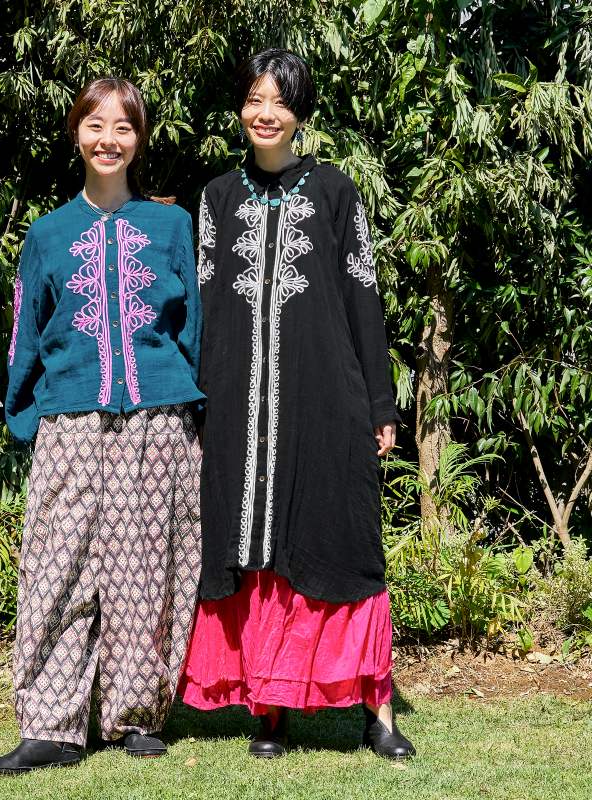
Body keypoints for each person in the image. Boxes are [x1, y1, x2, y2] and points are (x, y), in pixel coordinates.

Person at [178, 49, 416, 760]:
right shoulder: (218, 197)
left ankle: (377, 712)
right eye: (255, 99)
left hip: (324, 399)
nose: (265, 113)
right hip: (237, 405)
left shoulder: (338, 192)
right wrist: (197, 400)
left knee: (338, 538)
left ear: (300, 113)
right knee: (252, 548)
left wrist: (380, 405)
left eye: (280, 101)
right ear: (240, 109)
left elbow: (363, 300)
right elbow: (205, 305)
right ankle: (270, 708)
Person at [0, 77, 204, 776]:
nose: (109, 140)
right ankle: (51, 725)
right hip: (70, 422)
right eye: (95, 125)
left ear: (140, 139)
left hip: (156, 423)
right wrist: (26, 415)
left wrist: (191, 410)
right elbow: (26, 332)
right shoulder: (46, 234)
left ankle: (135, 715)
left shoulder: (172, 227)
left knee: (146, 572)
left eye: (124, 127)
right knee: (57, 570)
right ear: (77, 133)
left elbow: (193, 327)